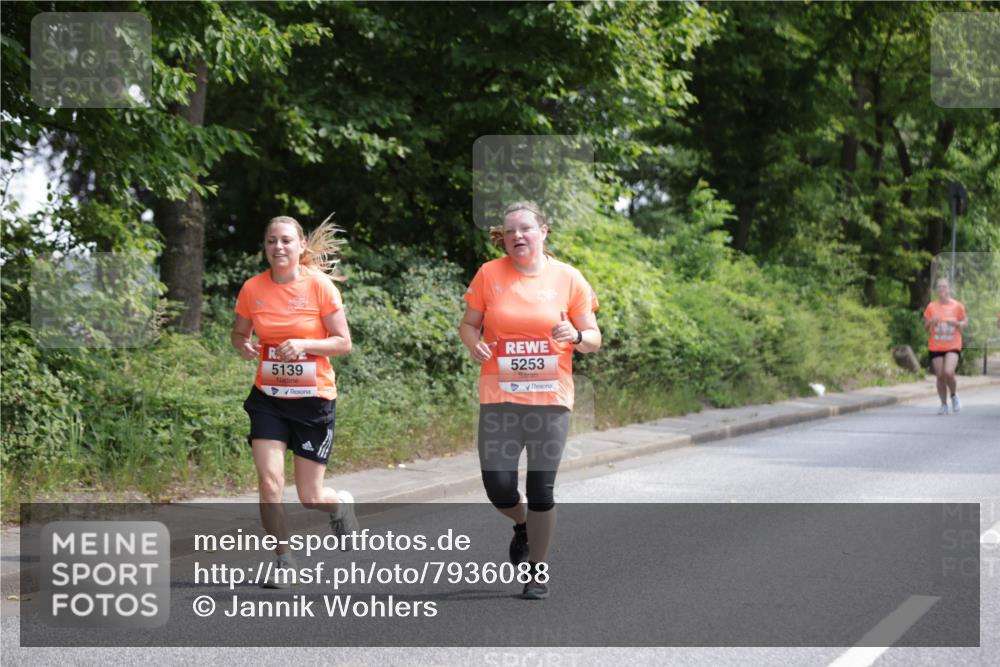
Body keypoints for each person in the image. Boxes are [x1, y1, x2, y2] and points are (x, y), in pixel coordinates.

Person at [460, 201, 601, 600]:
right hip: (499, 397)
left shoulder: (568, 278)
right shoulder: (490, 274)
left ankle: (538, 569)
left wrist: (574, 335)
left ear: (543, 231)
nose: (516, 236)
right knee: (498, 487)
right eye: (509, 232)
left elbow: (593, 337)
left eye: (524, 229)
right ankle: (521, 524)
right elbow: (469, 324)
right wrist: (475, 345)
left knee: (541, 489)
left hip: (551, 399)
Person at [231, 215, 358, 587]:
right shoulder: (252, 288)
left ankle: (338, 506)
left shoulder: (319, 286)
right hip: (268, 397)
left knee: (309, 495)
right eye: (272, 241)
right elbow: (239, 333)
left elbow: (343, 342)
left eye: (286, 240)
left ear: (301, 246)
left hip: (312, 399)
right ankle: (284, 560)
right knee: (270, 482)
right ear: (265, 247)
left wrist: (304, 344)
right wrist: (244, 345)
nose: (279, 247)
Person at [923, 277, 967, 415]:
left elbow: (965, 322)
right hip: (935, 345)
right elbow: (925, 327)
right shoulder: (931, 306)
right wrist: (931, 321)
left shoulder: (957, 306)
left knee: (948, 372)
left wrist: (958, 324)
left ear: (950, 289)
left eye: (944, 287)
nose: (942, 289)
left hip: (953, 344)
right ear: (936, 290)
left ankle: (953, 395)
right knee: (940, 376)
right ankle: (943, 404)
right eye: (939, 287)